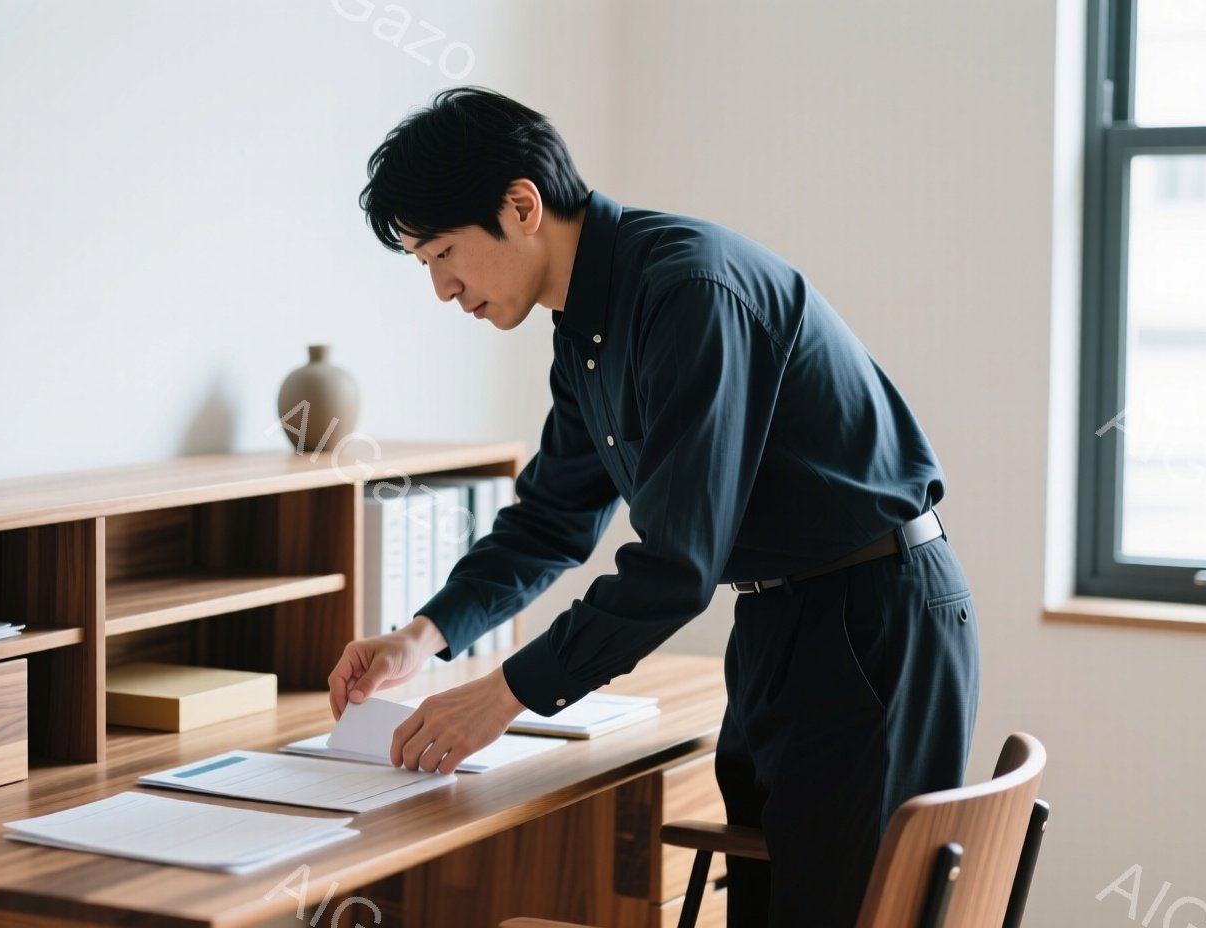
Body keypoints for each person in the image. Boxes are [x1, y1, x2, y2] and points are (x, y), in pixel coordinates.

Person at [325, 86, 980, 927]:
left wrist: (505, 695)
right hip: (788, 623)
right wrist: (422, 637)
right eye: (426, 266)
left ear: (521, 206)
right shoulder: (586, 331)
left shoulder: (686, 291)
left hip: (870, 618)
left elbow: (676, 564)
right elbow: (552, 520)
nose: (444, 290)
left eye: (445, 253)